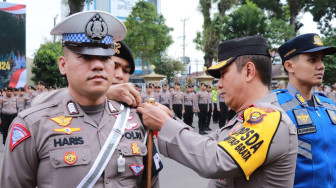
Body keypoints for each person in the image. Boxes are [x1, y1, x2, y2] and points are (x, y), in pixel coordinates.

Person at [0, 10, 160, 188]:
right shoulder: (33, 126)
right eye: (86, 57)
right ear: (63, 65)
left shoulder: (137, 120)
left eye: (105, 58)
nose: (98, 65)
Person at [138, 35, 298, 187]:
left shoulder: (269, 117)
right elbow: (208, 143)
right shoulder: (243, 118)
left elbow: (216, 159)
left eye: (223, 75)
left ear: (249, 71)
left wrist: (164, 124)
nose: (219, 84)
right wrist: (170, 117)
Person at [276, 33, 336, 188]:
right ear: (289, 66)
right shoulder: (275, 107)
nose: (321, 66)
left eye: (321, 59)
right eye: (312, 59)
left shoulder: (329, 105)